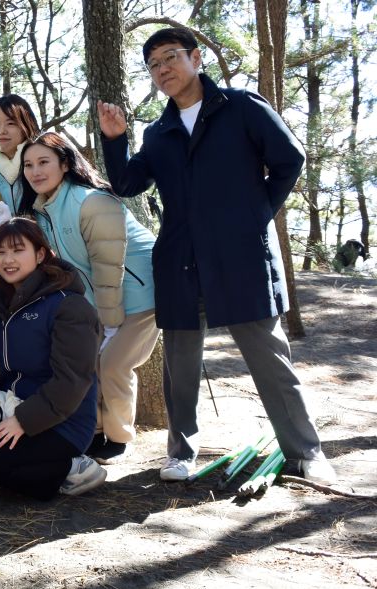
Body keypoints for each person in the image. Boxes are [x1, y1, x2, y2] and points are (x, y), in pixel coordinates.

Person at [97, 27, 335, 483]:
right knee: (180, 366)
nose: (163, 69)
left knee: (270, 358)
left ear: (196, 58)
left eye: (170, 58)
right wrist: (115, 140)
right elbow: (128, 184)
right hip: (180, 261)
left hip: (241, 256)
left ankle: (306, 452)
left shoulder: (241, 107)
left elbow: (290, 159)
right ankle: (181, 452)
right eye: (153, 65)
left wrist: (254, 214)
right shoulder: (159, 131)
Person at [0, 218, 105, 500]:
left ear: (40, 254)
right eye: (0, 252)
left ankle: (73, 466)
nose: (7, 260)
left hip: (64, 420)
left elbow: (72, 381)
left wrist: (24, 420)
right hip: (14, 405)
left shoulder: (68, 305)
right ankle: (10, 464)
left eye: (17, 250)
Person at [17, 132, 158, 464]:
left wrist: (107, 326)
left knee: (112, 365)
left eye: (43, 162)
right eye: (28, 165)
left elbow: (108, 271)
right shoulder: (41, 210)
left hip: (141, 297)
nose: (35, 171)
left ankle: (121, 438)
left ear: (65, 164)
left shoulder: (91, 202)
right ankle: (92, 431)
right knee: (84, 364)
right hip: (99, 305)